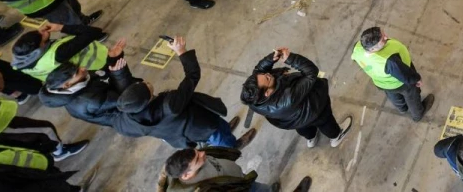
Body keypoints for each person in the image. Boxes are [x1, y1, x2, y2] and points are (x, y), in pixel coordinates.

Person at [113, 35, 252, 150]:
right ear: (148, 99)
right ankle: (233, 147)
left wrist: (120, 73)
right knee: (219, 136)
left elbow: (129, 98)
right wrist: (181, 51)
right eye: (145, 86)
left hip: (188, 134)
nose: (145, 82)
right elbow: (192, 76)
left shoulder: (130, 119)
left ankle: (226, 130)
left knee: (221, 129)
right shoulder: (170, 105)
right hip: (204, 126)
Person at [240, 47, 353, 148]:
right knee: (324, 121)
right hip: (314, 110)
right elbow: (311, 73)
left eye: (265, 75)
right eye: (267, 78)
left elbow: (258, 72)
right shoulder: (288, 99)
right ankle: (336, 136)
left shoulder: (252, 98)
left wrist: (270, 59)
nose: (268, 74)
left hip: (292, 120)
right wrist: (291, 58)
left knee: (303, 127)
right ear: (268, 93)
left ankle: (311, 138)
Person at [351, 27, 433, 122]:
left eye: (383, 34)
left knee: (394, 96)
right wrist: (416, 79)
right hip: (400, 84)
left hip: (383, 83)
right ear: (373, 48)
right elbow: (404, 75)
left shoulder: (357, 48)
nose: (386, 37)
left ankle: (402, 109)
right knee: (412, 96)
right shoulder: (389, 61)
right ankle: (418, 114)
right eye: (382, 39)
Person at [158, 146, 312, 192]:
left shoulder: (174, 167)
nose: (203, 153)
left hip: (240, 181)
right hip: (238, 190)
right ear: (187, 175)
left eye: (197, 152)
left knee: (262, 189)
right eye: (198, 158)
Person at [10, 22, 107, 83]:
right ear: (39, 49)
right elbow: (94, 32)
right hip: (98, 65)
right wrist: (61, 27)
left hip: (73, 80)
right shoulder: (59, 54)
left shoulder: (21, 64)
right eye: (42, 38)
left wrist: (39, 36)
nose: (42, 32)